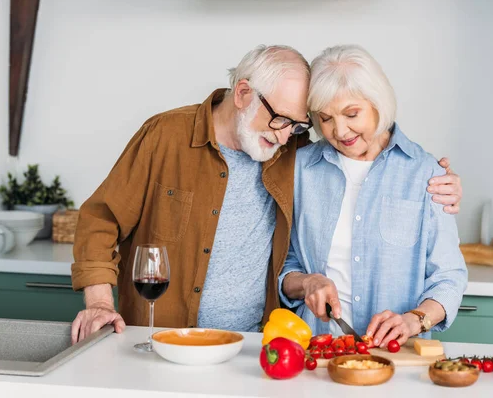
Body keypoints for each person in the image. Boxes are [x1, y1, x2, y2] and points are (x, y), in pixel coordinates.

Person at [70, 45, 463, 344]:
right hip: (164, 339)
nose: (282, 135)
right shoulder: (165, 137)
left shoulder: (294, 153)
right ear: (242, 93)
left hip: (254, 345)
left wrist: (438, 178)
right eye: (281, 119)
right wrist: (100, 304)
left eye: (296, 126)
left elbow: (367, 156)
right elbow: (100, 220)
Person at [279, 45, 468, 350]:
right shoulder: (300, 170)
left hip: (397, 357)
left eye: (352, 114)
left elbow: (449, 276)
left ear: (379, 104)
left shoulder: (425, 174)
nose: (339, 131)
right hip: (316, 350)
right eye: (325, 119)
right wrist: (306, 283)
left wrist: (415, 319)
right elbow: (282, 263)